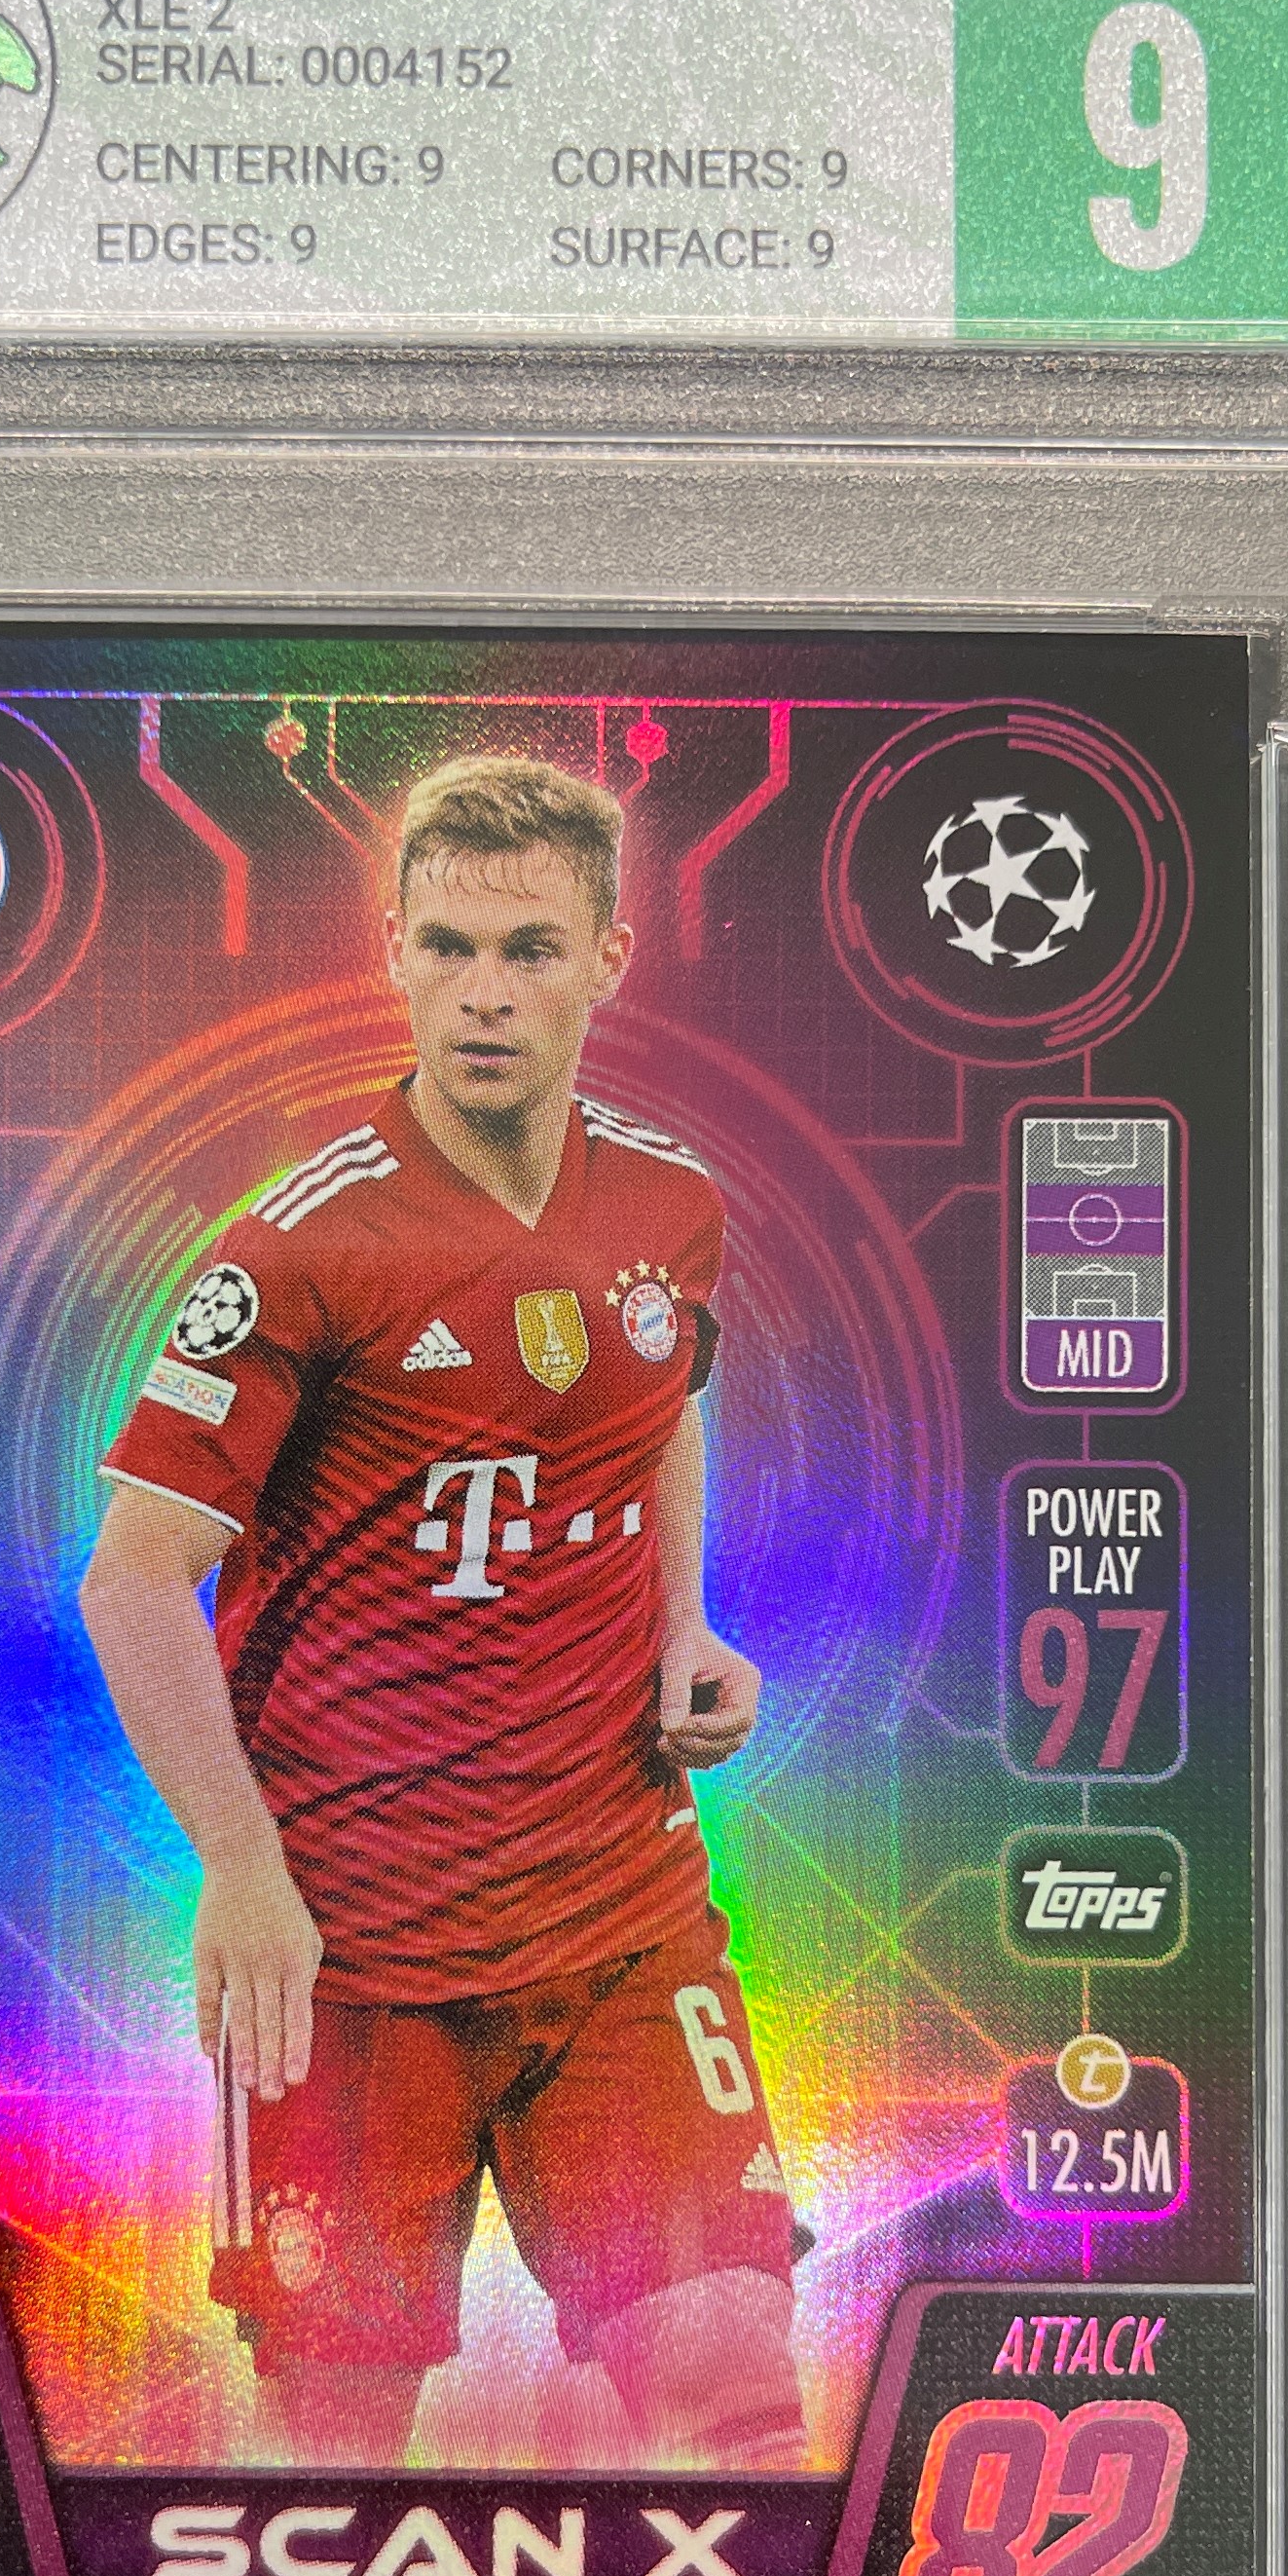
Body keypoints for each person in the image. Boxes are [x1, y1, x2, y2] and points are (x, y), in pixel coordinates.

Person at [79, 752, 803, 2469]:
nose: (487, 993)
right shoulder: (297, 1248)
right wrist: (241, 1868)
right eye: (450, 947)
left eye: (531, 948)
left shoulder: (672, 1205)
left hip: (619, 1921)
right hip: (350, 1958)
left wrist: (683, 1621)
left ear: (608, 959)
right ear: (392, 954)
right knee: (332, 2469)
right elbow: (133, 1578)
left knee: (734, 2406)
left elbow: (660, 1400)